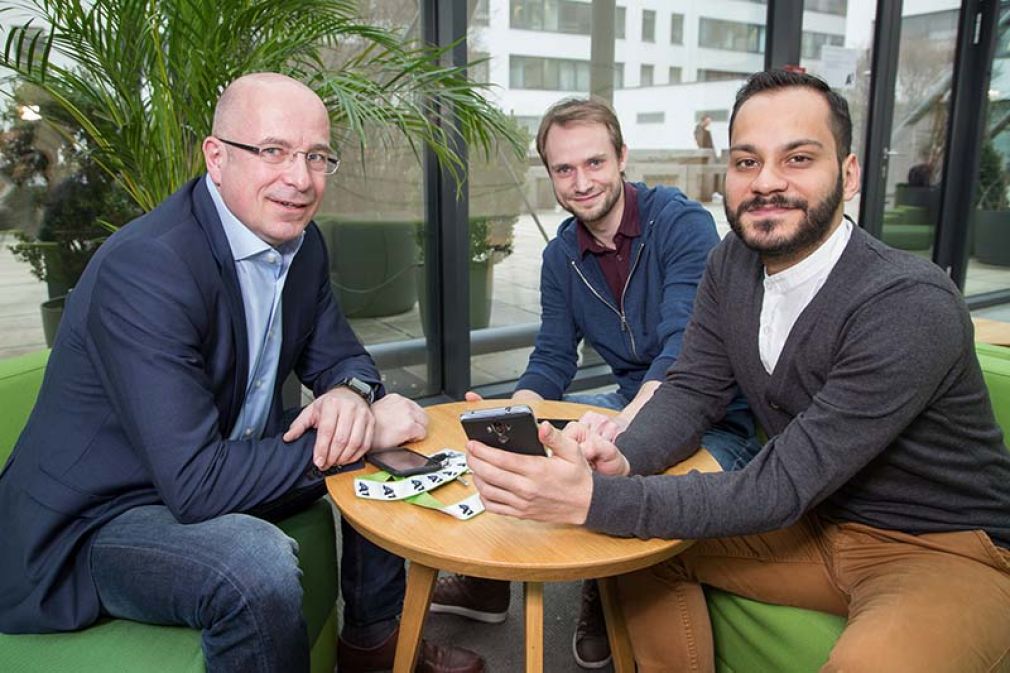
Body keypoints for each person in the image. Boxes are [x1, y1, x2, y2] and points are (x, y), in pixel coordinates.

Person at [466, 70, 1010, 673]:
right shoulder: (734, 262)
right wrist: (624, 457)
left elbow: (778, 487)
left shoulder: (908, 302)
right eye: (747, 162)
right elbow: (694, 388)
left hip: (941, 548)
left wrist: (596, 498)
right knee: (635, 553)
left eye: (798, 158)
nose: (767, 182)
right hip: (822, 525)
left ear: (849, 174)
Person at [0, 73, 483, 673]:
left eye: (315, 157)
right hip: (97, 521)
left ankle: (375, 643)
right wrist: (360, 432)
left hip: (213, 456)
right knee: (253, 562)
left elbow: (345, 358)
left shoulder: (301, 246)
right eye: (273, 151)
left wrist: (351, 397)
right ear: (217, 157)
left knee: (393, 436)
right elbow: (196, 482)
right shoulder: (148, 268)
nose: (300, 179)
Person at [429, 97, 759, 670]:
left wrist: (619, 430)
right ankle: (488, 583)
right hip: (627, 397)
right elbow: (552, 357)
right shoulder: (562, 255)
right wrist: (517, 410)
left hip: (714, 411)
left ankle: (600, 593)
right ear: (550, 175)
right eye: (564, 169)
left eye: (595, 163)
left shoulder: (681, 224)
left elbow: (685, 354)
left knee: (618, 464)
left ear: (622, 157)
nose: (581, 182)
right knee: (517, 448)